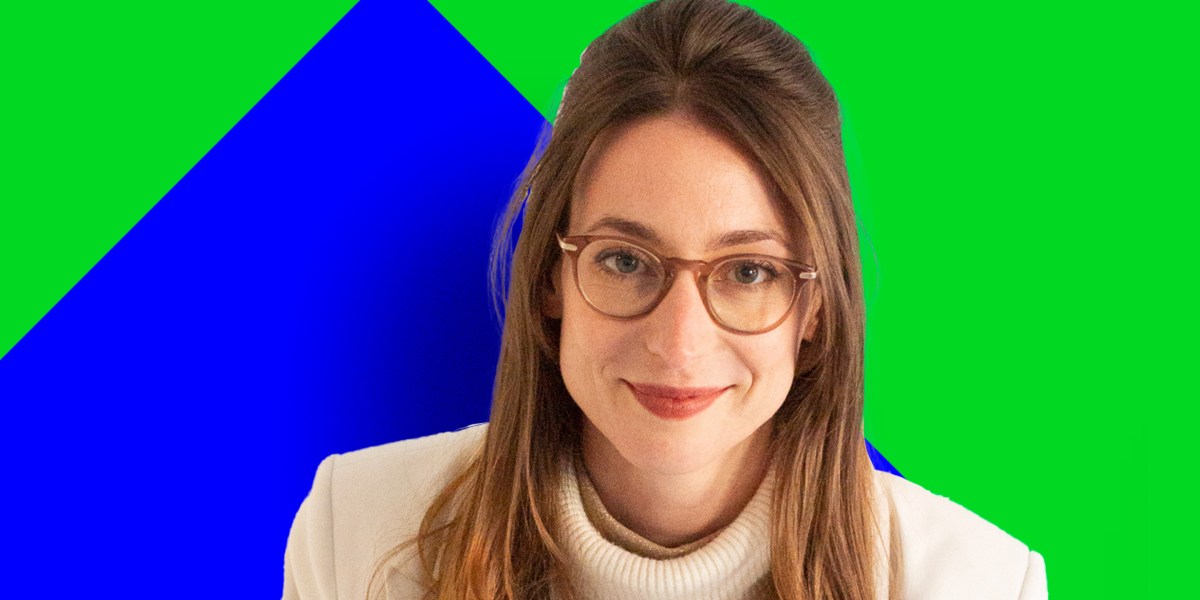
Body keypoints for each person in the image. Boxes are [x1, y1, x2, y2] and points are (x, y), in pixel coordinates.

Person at [282, 0, 1047, 598]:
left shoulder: (978, 583)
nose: (679, 342)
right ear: (550, 279)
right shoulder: (355, 537)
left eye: (748, 272)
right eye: (625, 260)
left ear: (815, 307)